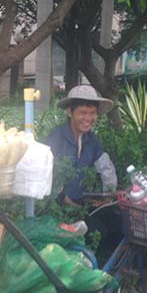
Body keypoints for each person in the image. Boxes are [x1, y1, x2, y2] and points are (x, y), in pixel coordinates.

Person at [46, 84, 123, 258]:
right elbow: (47, 174)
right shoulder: (56, 137)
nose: (88, 118)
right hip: (58, 207)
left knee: (119, 224)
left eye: (92, 113)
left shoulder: (91, 139)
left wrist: (108, 194)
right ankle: (92, 274)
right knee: (98, 231)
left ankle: (110, 272)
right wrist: (63, 198)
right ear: (70, 113)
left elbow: (105, 166)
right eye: (82, 112)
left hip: (81, 203)